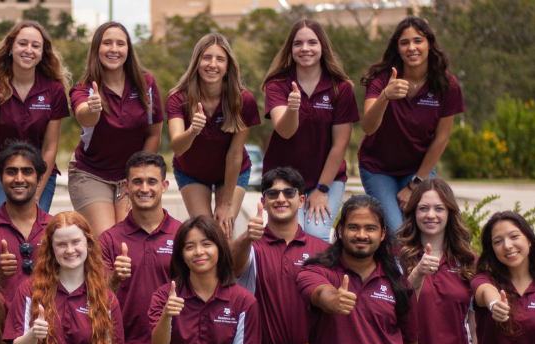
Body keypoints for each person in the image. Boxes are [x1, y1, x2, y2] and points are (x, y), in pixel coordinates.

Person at [358, 16, 465, 230]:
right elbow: (368, 127)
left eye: (418, 40)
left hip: (418, 168)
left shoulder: (447, 84)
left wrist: (415, 184)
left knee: (421, 227)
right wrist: (385, 96)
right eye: (404, 42)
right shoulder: (381, 79)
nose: (412, 48)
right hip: (378, 168)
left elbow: (441, 139)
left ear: (429, 44)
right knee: (397, 232)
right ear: (397, 48)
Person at [260, 19, 358, 242]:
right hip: (283, 178)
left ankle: (321, 277)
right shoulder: (277, 84)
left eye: (312, 42)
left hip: (326, 178)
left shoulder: (340, 89)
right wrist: (293, 107)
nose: (305, 48)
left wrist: (322, 190)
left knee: (316, 236)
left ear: (322, 47)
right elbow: (284, 131)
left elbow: (340, 144)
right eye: (298, 43)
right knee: (288, 236)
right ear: (290, 49)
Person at [68, 21, 164, 233]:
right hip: (91, 174)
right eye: (107, 43)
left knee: (130, 235)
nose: (114, 49)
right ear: (96, 49)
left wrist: (138, 178)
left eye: (120, 43)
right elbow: (84, 117)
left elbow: (153, 134)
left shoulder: (146, 84)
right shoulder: (84, 89)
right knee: (107, 238)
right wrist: (93, 109)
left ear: (128, 50)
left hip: (129, 177)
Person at [166, 33, 259, 235]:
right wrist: (192, 131)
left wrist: (226, 204)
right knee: (207, 233)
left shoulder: (243, 100)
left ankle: (231, 267)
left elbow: (235, 153)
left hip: (232, 172)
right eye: (207, 57)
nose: (213, 64)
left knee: (224, 233)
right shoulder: (177, 98)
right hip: (191, 171)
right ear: (197, 62)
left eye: (220, 59)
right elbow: (177, 147)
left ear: (227, 67)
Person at [298, 195, 418, 344]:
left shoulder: (399, 283)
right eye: (354, 227)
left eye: (370, 228)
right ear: (340, 231)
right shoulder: (316, 271)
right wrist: (332, 299)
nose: (361, 235)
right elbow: (320, 293)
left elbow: (410, 342)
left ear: (382, 233)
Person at [229, 167, 330, 344]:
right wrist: (247, 237)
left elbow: (332, 308)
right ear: (264, 202)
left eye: (289, 193)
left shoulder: (323, 251)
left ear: (301, 201)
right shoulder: (251, 247)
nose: (281, 199)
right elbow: (232, 268)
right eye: (273, 193)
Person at [0, 21, 70, 214]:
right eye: (22, 44)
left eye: (36, 46)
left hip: (39, 175)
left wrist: (35, 195)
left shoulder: (54, 90)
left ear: (43, 53)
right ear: (11, 47)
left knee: (34, 238)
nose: (28, 50)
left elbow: (50, 147)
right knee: (5, 233)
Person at [3, 212, 124, 344]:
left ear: (88, 243)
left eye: (76, 242)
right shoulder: (29, 291)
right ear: (51, 249)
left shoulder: (106, 299)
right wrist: (33, 335)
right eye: (61, 244)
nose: (70, 250)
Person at [99, 151, 182, 344]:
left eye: (152, 181)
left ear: (164, 186)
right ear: (127, 187)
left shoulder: (182, 234)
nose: (144, 188)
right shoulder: (109, 239)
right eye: (137, 182)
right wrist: (115, 278)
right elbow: (96, 300)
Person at [149, 216, 260, 344]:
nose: (199, 252)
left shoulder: (244, 301)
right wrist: (166, 315)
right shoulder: (164, 296)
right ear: (181, 255)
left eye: (206, 244)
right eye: (189, 247)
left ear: (220, 249)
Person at [471, 211, 535, 344]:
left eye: (514, 236)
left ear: (529, 239)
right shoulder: (484, 280)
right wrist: (494, 304)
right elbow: (485, 292)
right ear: (492, 249)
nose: (507, 245)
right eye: (498, 241)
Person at [396, 178, 477, 344]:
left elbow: (475, 325)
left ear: (450, 212)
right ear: (413, 213)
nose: (431, 215)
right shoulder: (396, 256)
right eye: (423, 208)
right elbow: (395, 311)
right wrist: (417, 274)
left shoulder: (468, 260)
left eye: (439, 208)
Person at [0, 141, 54, 297]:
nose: (19, 179)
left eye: (27, 172)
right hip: (1, 320)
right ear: (0, 178)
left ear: (39, 179)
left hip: (49, 319)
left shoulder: (57, 229)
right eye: (11, 172)